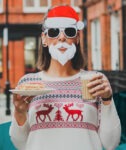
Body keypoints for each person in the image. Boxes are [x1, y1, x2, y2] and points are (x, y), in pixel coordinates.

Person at [9, 5, 121, 150]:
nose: (62, 37)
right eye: (54, 32)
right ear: (44, 39)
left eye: (69, 31)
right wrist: (19, 112)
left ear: (77, 38)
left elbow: (111, 143)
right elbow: (21, 144)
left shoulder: (95, 81)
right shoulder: (29, 83)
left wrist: (107, 100)